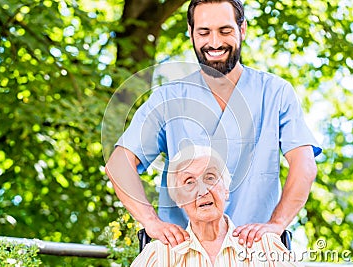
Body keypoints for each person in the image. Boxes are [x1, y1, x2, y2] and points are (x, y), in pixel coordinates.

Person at [105, 0, 321, 248]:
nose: (215, 42)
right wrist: (151, 222)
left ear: (243, 29)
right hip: (182, 253)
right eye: (204, 32)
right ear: (191, 32)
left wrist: (276, 224)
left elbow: (304, 163)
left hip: (253, 251)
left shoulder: (274, 93)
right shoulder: (169, 98)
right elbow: (119, 163)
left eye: (225, 30)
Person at [131, 145, 303, 266]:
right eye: (189, 182)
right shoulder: (160, 254)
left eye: (210, 178)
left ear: (226, 189)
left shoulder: (265, 246)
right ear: (179, 199)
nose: (202, 190)